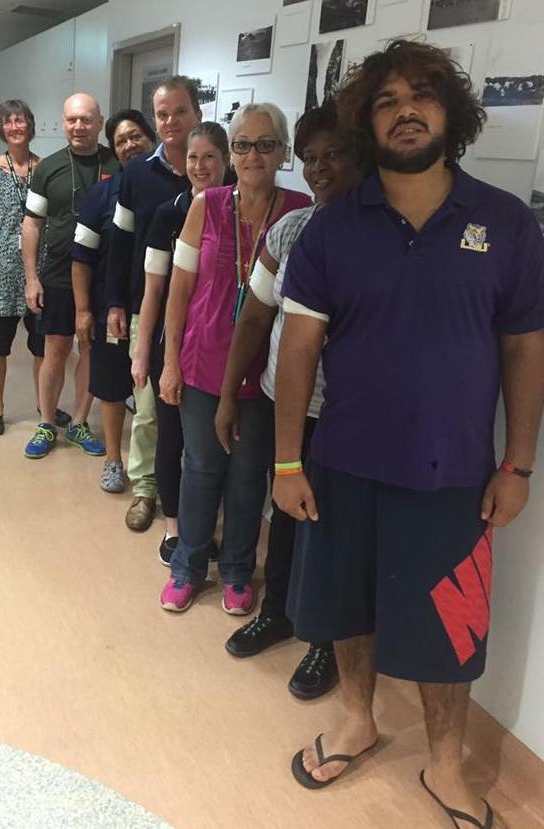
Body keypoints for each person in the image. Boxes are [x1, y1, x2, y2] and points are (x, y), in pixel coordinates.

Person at [274, 40, 544, 829]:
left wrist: (518, 463)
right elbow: (297, 351)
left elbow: (526, 348)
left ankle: (445, 764)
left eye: (422, 94)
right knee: (349, 608)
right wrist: (287, 459)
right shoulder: (331, 229)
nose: (406, 110)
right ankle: (358, 720)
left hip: (454, 471)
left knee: (450, 630)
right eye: (387, 99)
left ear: (450, 113)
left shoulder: (504, 223)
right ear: (368, 118)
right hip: (344, 463)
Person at [215, 101, 361, 700]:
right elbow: (252, 320)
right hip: (284, 402)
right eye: (311, 158)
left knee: (330, 530)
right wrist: (229, 395)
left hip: (346, 416)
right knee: (285, 516)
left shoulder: (376, 236)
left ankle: (326, 641)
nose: (321, 168)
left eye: (334, 155)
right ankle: (277, 611)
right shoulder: (292, 229)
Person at [158, 103, 312, 614]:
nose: (252, 155)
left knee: (249, 476)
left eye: (264, 145)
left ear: (283, 153)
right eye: (243, 144)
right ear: (232, 153)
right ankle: (187, 566)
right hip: (202, 363)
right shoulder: (207, 204)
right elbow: (178, 290)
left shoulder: (300, 208)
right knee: (201, 468)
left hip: (263, 372)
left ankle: (240, 572)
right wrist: (169, 361)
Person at [106, 76, 202, 531]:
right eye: (162, 113)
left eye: (179, 111)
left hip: (205, 316)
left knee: (194, 414)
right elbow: (119, 244)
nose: (170, 121)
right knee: (147, 410)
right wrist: (116, 303)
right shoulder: (137, 174)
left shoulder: (212, 168)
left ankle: (192, 495)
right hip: (150, 310)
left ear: (196, 113)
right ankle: (146, 490)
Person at [131, 122, 229, 561]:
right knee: (173, 437)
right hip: (173, 347)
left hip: (221, 347)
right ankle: (175, 529)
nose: (200, 166)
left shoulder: (235, 213)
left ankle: (203, 525)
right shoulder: (168, 215)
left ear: (226, 160)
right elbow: (153, 291)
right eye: (193, 157)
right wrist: (141, 350)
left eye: (210, 156)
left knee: (211, 442)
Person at [22, 93, 118, 459]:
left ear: (98, 121)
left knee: (92, 348)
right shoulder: (48, 168)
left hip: (102, 276)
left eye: (86, 120)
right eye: (72, 120)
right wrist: (32, 277)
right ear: (63, 123)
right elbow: (31, 224)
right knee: (56, 350)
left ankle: (78, 422)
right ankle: (47, 424)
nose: (78, 127)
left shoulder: (115, 163)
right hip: (58, 275)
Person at [71, 109, 156, 493]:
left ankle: (155, 470)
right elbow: (81, 257)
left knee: (155, 395)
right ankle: (113, 461)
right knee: (111, 384)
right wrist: (85, 310)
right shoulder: (103, 194)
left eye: (136, 135)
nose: (129, 145)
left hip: (160, 311)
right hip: (112, 309)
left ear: (150, 137)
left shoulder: (171, 186)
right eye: (121, 141)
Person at [0, 100, 70, 435]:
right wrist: (1, 251)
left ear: (31, 125)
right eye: (8, 122)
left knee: (42, 342)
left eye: (20, 120)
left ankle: (46, 404)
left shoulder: (46, 169)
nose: (15, 127)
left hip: (41, 272)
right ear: (1, 129)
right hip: (2, 274)